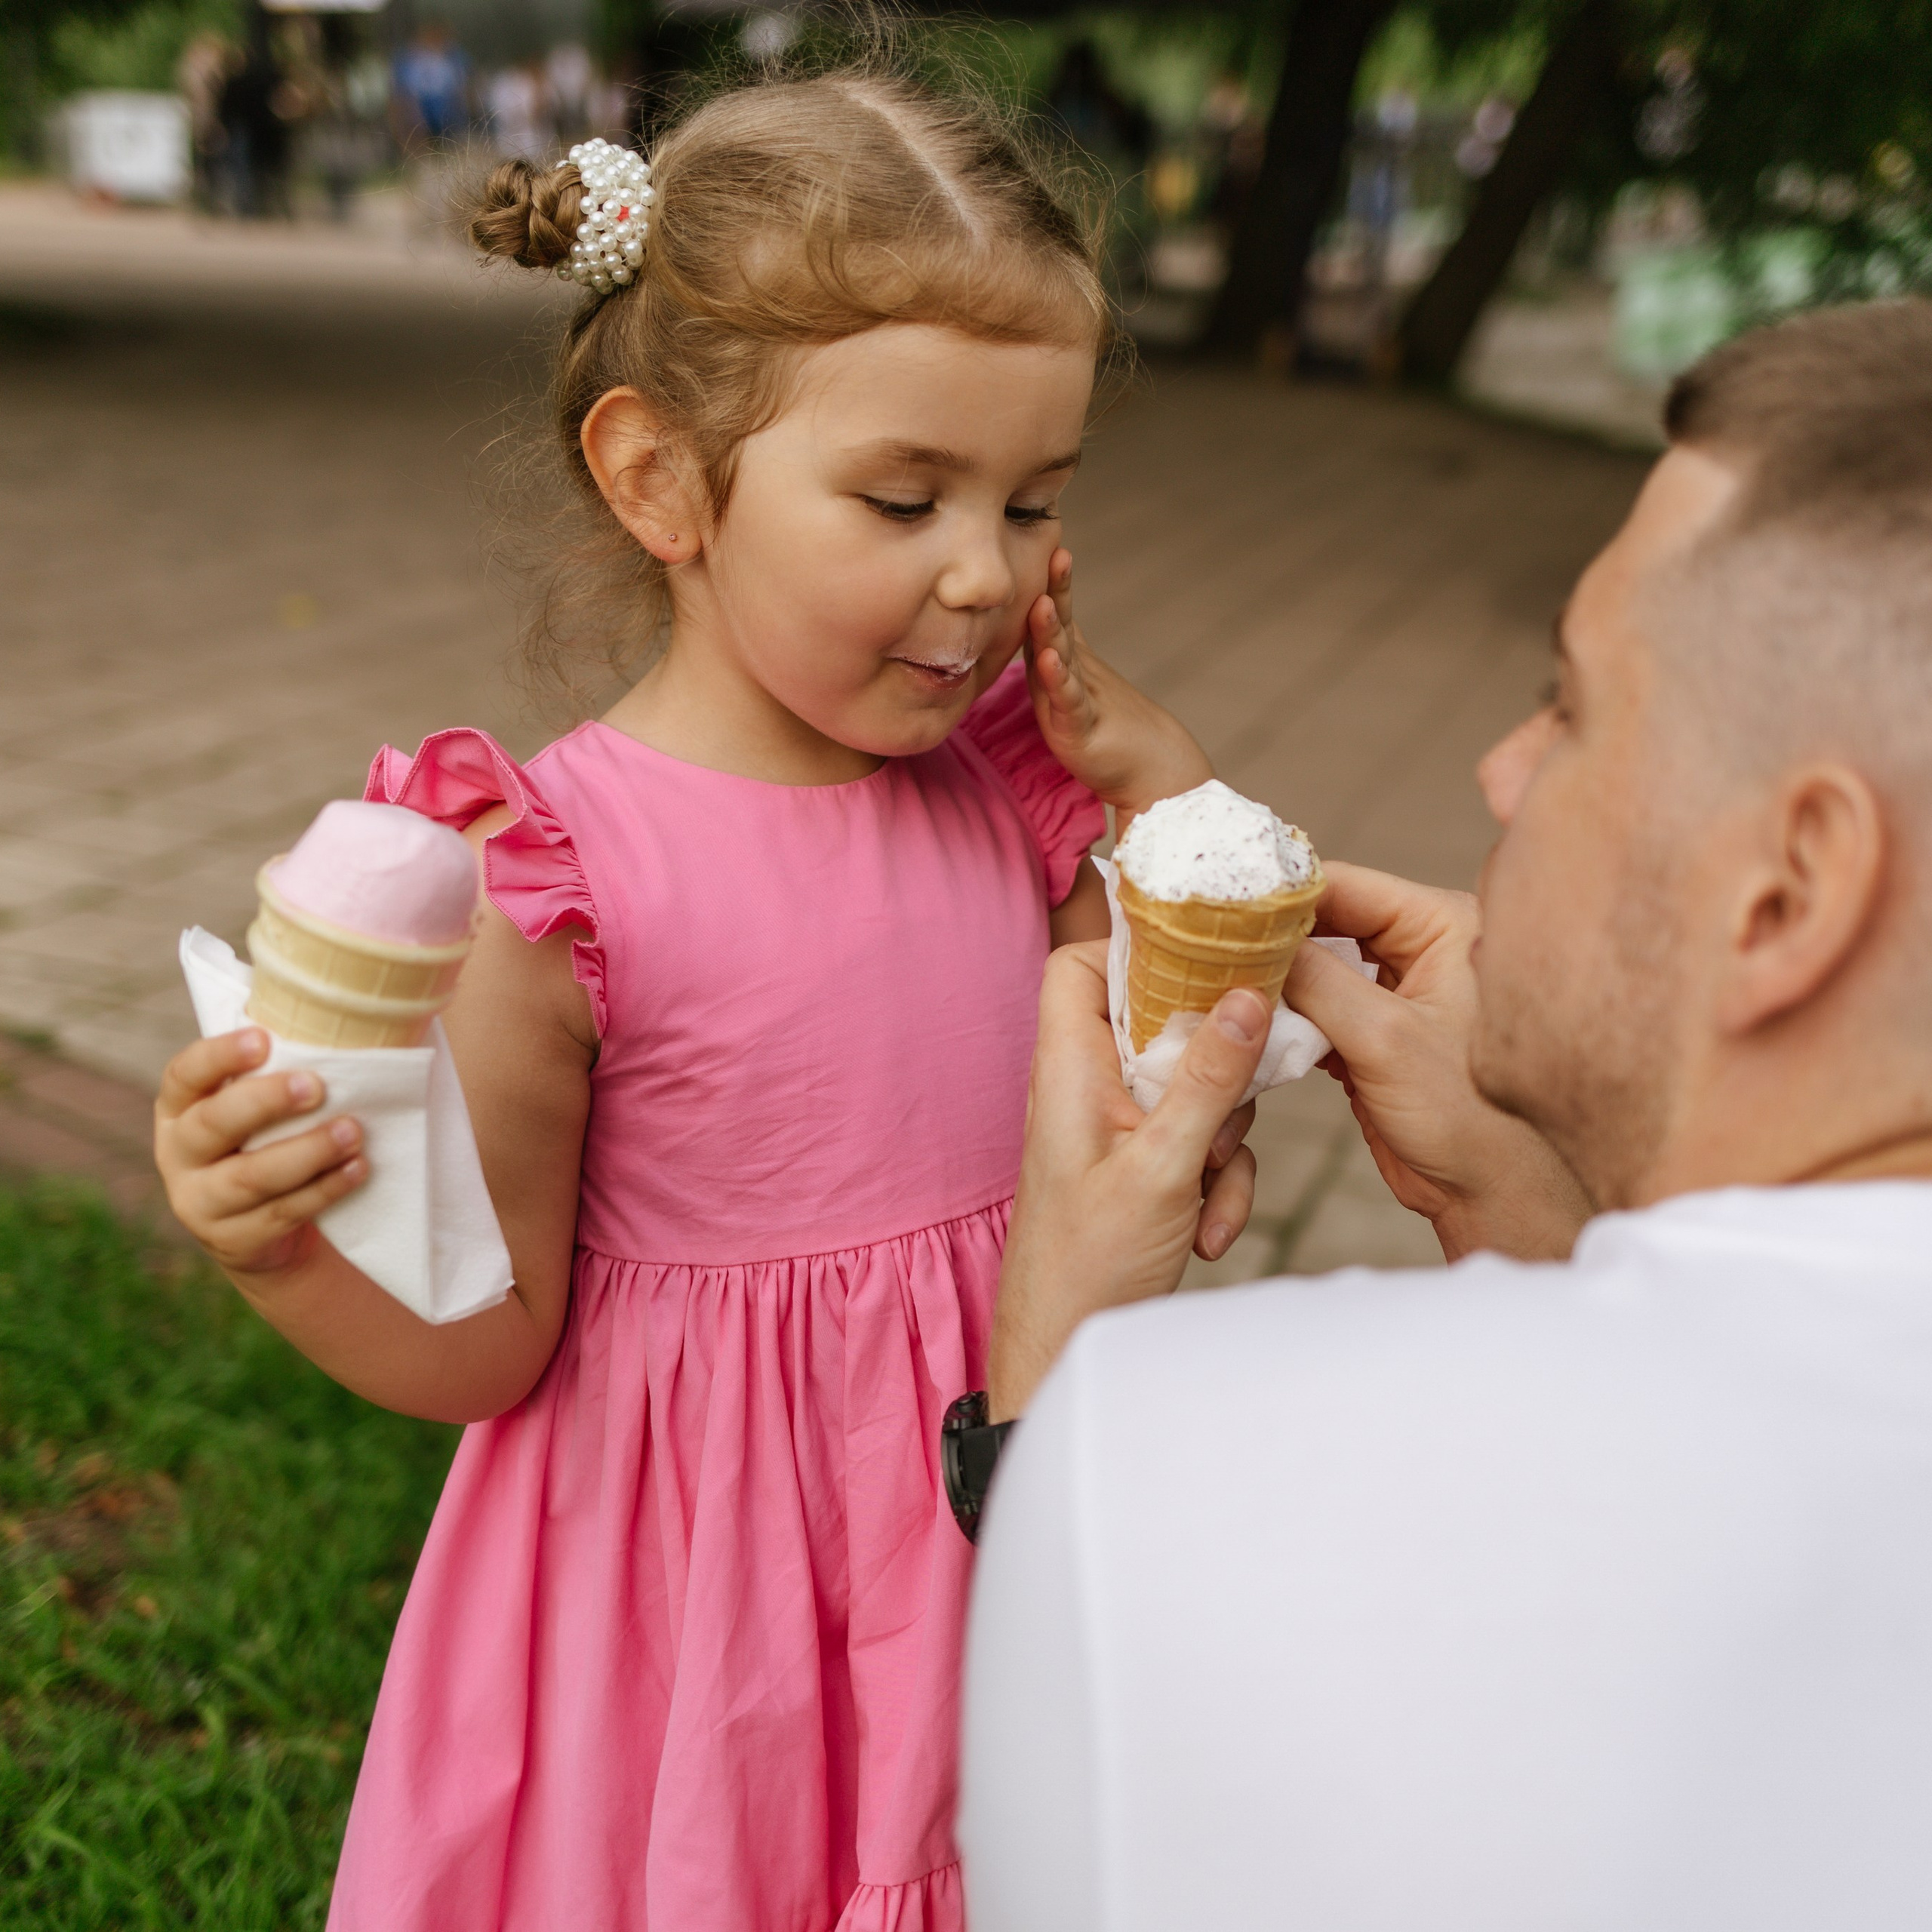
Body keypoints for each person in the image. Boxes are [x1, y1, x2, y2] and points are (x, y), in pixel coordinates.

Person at [152, 66, 1214, 1931]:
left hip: (986, 1517)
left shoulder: (1012, 797)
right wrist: (283, 1249)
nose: (984, 572)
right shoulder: (559, 880)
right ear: (658, 479)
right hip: (698, 1610)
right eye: (904, 496)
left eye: (1033, 499)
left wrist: (1155, 775)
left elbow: (1164, 1030)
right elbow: (490, 1343)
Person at [961, 297, 1932, 1930]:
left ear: (1788, 887)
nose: (1495, 770)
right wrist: (1539, 1224)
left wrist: (1049, 1404)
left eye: (1567, 706)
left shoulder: (1174, 1461)